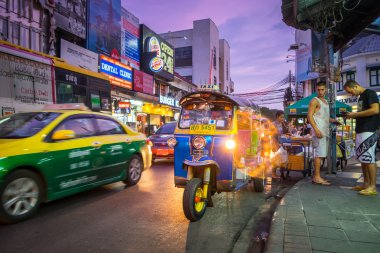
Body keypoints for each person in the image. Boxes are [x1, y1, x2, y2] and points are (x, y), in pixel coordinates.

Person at [343, 80, 379, 196]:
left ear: (356, 86)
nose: (351, 94)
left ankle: (372, 186)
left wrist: (355, 115)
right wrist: (353, 116)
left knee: (369, 158)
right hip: (361, 130)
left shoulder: (370, 93)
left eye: (351, 91)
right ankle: (366, 183)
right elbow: (363, 113)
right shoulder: (361, 97)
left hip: (369, 130)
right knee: (363, 159)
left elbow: (375, 110)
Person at [307, 81, 340, 185]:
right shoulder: (314, 100)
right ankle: (316, 177)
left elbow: (323, 117)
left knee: (321, 154)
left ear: (325, 90)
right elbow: (309, 116)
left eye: (322, 89)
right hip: (318, 131)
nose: (320, 92)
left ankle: (317, 176)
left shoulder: (325, 101)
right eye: (318, 89)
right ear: (316, 90)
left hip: (324, 130)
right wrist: (316, 129)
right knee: (319, 154)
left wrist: (333, 120)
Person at [271, 111, 290, 178]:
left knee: (281, 158)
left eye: (283, 117)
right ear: (277, 117)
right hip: (275, 143)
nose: (282, 118)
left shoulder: (282, 124)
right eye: (281, 117)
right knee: (276, 158)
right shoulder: (273, 124)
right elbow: (272, 135)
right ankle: (273, 173)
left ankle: (280, 173)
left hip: (281, 142)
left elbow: (285, 132)